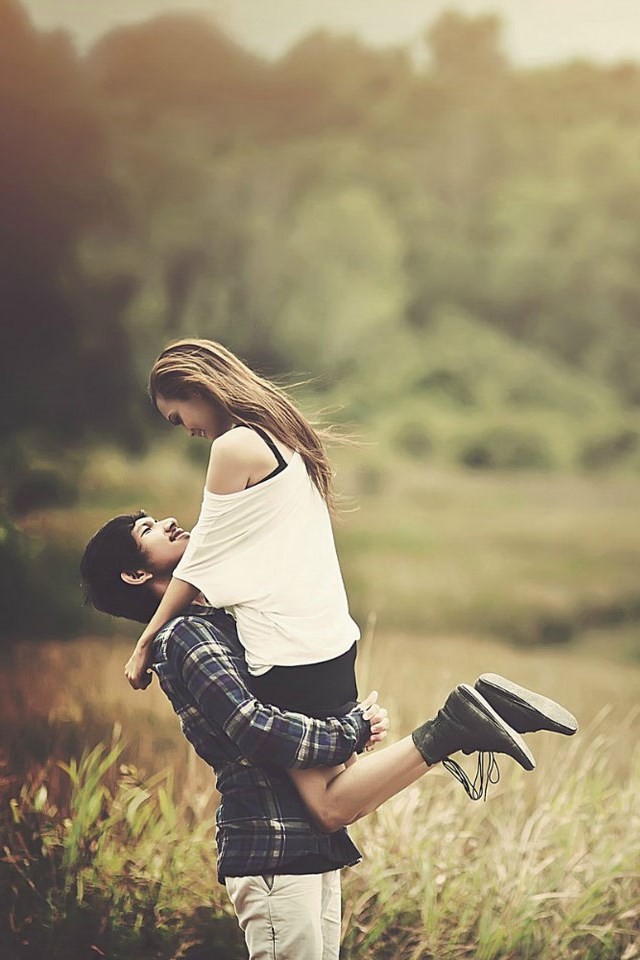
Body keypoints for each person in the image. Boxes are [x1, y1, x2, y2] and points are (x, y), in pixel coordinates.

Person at [81, 510, 577, 960]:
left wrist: (343, 724)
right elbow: (254, 727)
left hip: (306, 839)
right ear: (136, 573)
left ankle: (463, 723)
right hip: (270, 843)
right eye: (147, 530)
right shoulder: (185, 635)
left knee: (334, 811)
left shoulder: (216, 619)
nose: (167, 521)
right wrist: (348, 731)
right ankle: (457, 725)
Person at [123, 339, 576, 817]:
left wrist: (143, 642)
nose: (186, 431)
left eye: (178, 418)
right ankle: (489, 707)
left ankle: (458, 723)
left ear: (197, 388)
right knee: (344, 786)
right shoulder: (277, 433)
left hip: (288, 651)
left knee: (330, 807)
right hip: (330, 639)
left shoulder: (233, 447)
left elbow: (201, 561)